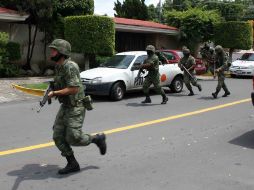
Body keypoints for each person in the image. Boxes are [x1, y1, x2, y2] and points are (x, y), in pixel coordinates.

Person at [47, 39, 107, 175]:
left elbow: (73, 89)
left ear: (62, 52)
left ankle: (97, 139)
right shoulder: (59, 66)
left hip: (76, 106)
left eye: (54, 50)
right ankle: (72, 163)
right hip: (66, 106)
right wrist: (52, 88)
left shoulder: (70, 66)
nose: (51, 52)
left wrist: (55, 93)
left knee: (74, 138)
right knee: (58, 136)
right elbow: (61, 84)